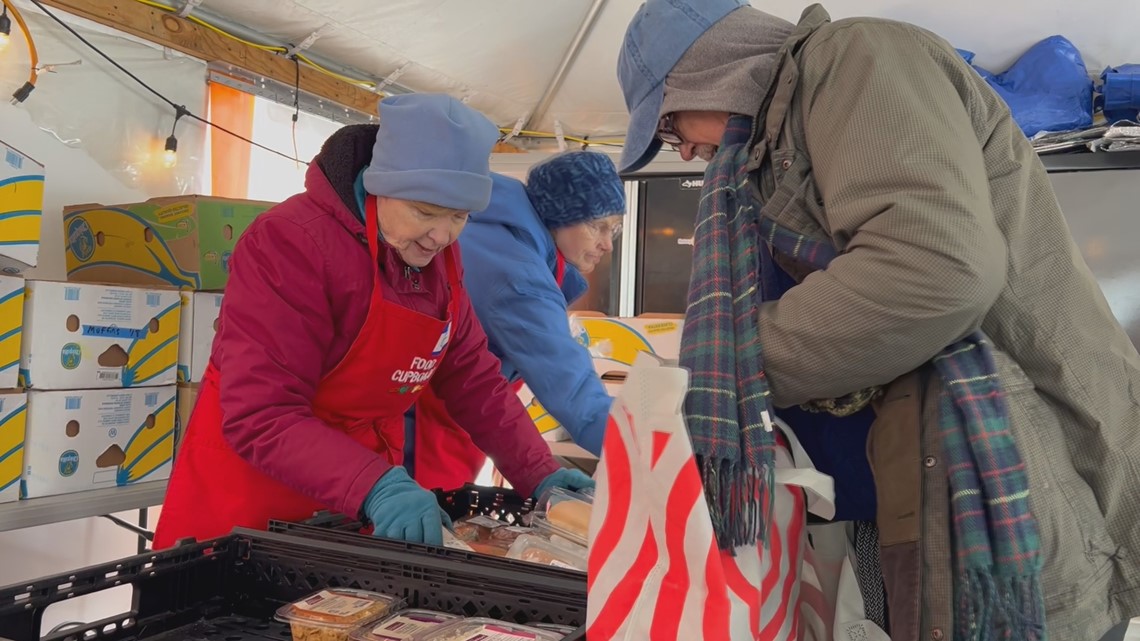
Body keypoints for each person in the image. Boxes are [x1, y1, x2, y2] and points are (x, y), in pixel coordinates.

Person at [616, 1, 1140, 640]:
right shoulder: (782, 144)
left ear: (710, 75)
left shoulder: (855, 57)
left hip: (1019, 471)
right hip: (907, 491)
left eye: (673, 130)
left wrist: (729, 368)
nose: (691, 153)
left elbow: (931, 269)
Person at [153, 93, 593, 550]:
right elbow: (262, 414)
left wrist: (541, 473)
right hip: (247, 511)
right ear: (381, 184)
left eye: (459, 217)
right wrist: (375, 485)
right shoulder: (291, 243)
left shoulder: (438, 257)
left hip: (350, 506)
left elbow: (473, 380)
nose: (442, 235)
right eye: (425, 212)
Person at [407, 151, 625, 491]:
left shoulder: (496, 232)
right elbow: (575, 395)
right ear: (560, 215)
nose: (607, 245)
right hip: (426, 426)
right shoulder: (518, 276)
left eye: (615, 229)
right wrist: (651, 455)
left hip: (441, 408)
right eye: (597, 225)